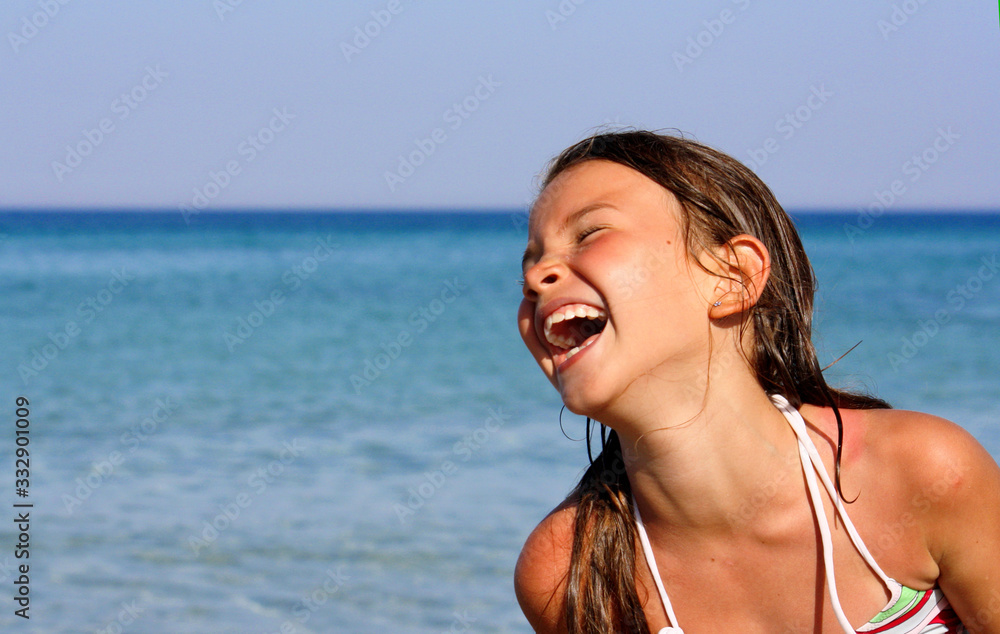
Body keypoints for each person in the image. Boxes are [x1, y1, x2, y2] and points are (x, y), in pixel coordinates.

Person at [513, 130, 1000, 634]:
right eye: (528, 263)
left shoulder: (921, 475)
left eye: (590, 234)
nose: (536, 276)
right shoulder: (569, 571)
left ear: (733, 278)